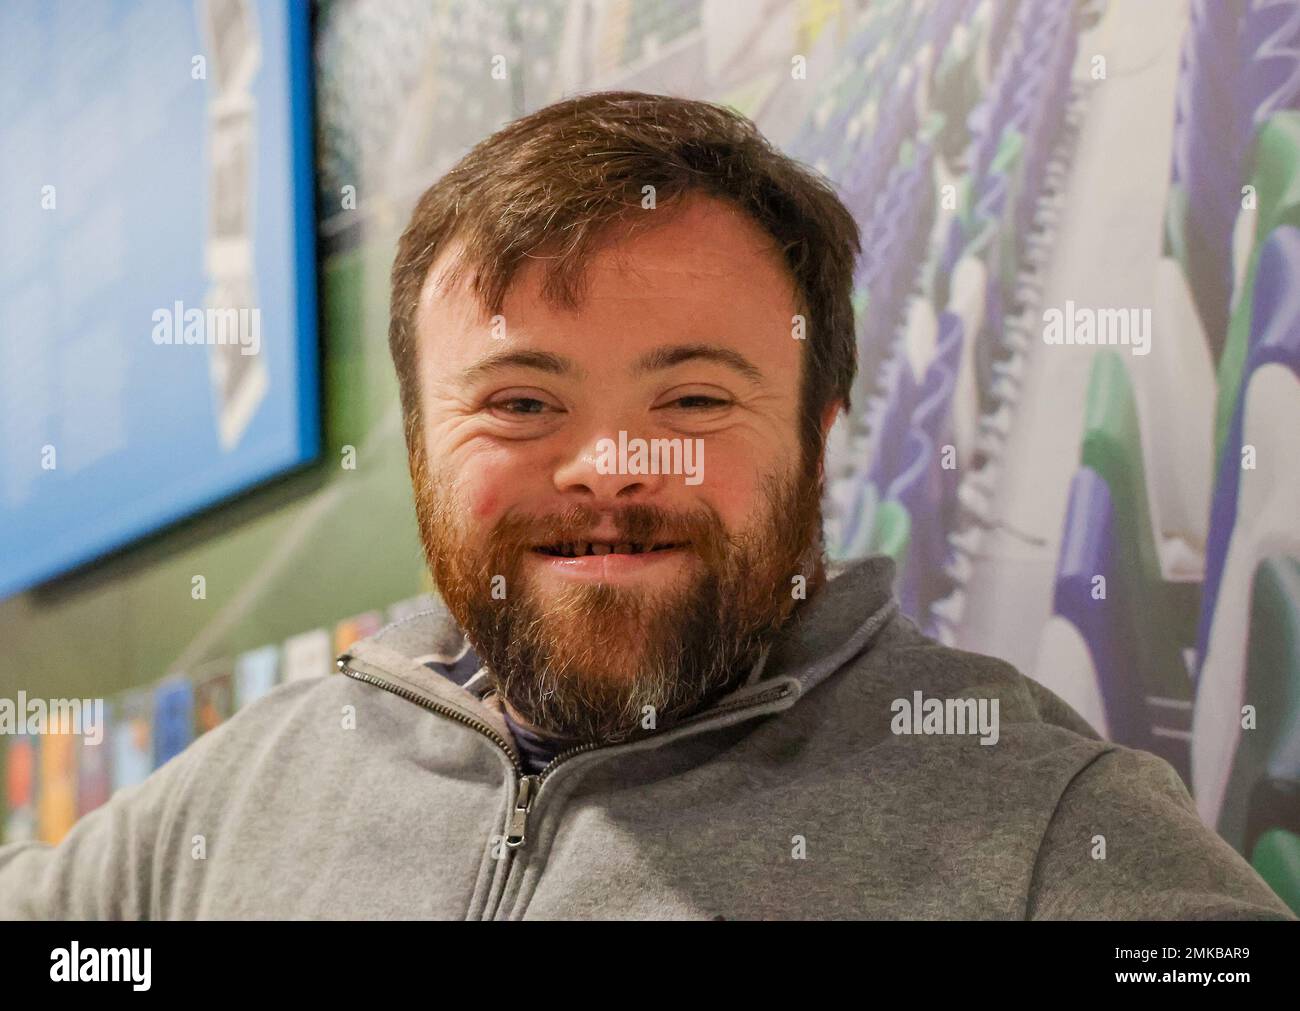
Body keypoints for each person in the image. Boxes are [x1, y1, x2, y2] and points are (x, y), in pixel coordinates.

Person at [0, 91, 1291, 919]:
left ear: (818, 432)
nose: (610, 466)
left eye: (690, 404)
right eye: (517, 404)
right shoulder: (255, 784)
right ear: (421, 452)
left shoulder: (1045, 834)